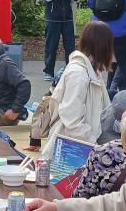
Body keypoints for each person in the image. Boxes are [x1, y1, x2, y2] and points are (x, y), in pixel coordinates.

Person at [41, 21, 113, 157]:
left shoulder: (92, 70)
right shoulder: (78, 74)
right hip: (72, 149)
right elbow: (72, 120)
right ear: (104, 45)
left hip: (83, 143)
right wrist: (94, 145)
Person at [40, 0, 79, 81]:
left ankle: (71, 71)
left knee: (70, 46)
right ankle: (48, 72)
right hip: (52, 18)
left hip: (67, 17)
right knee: (51, 46)